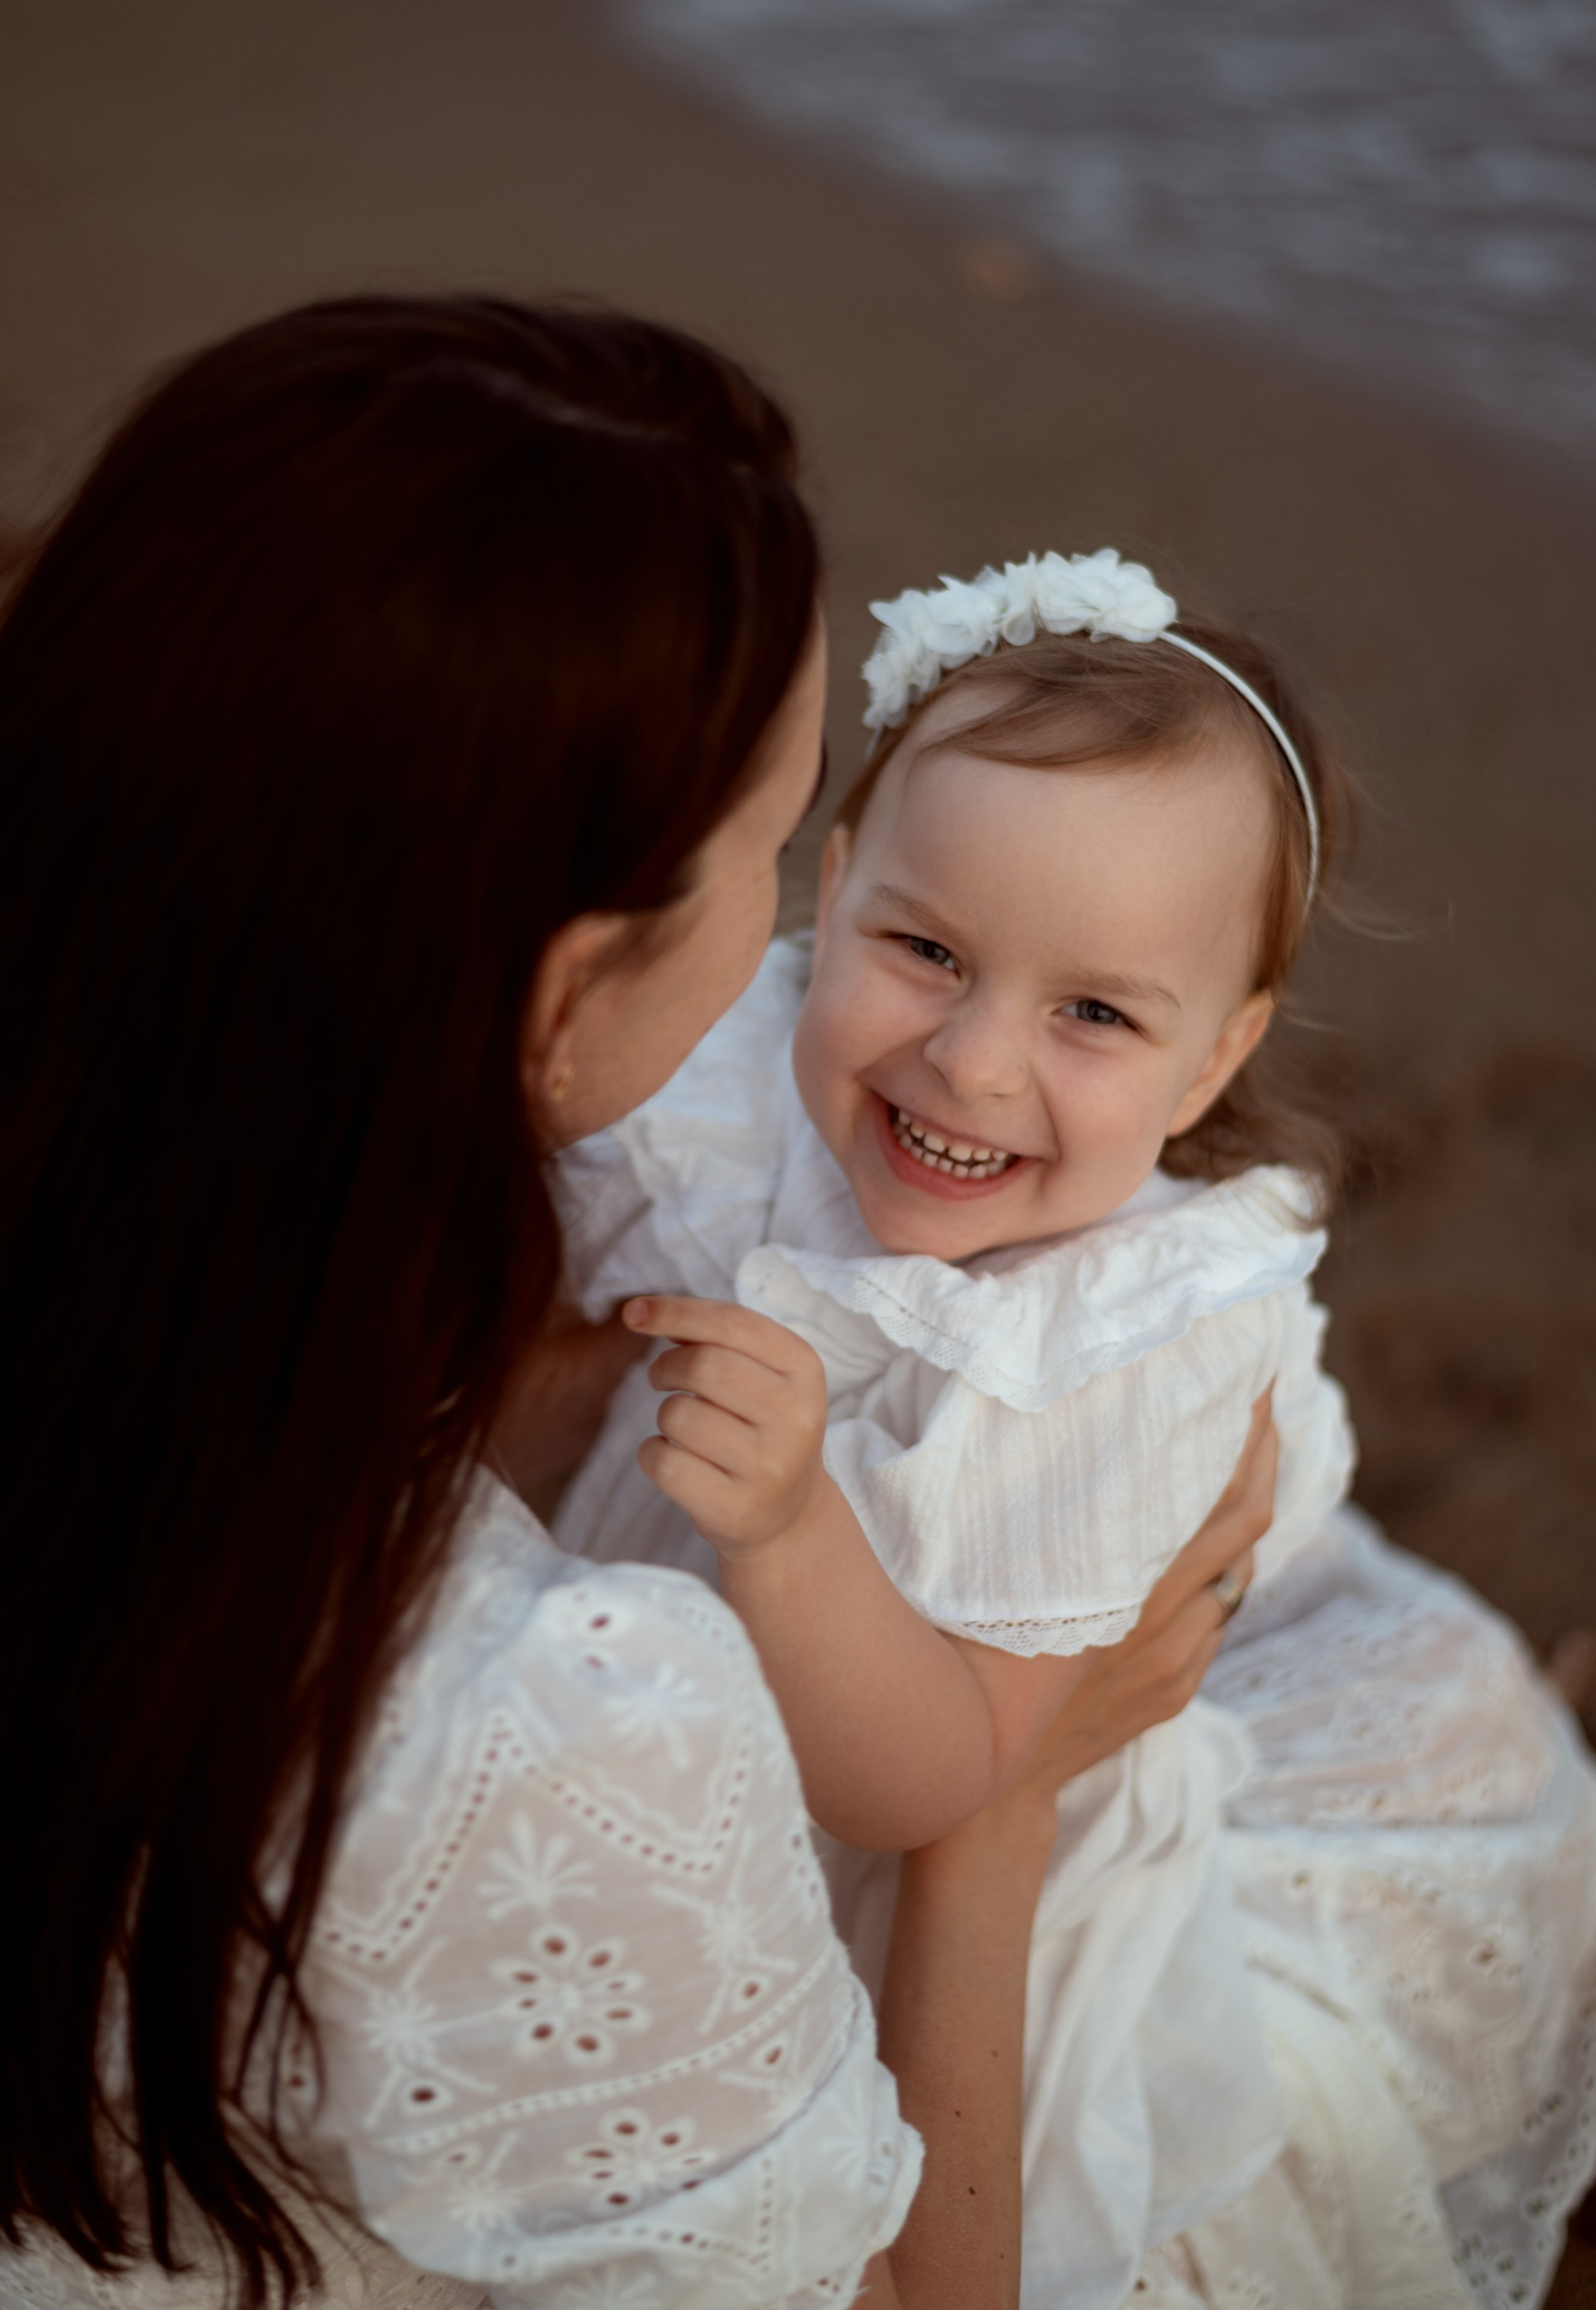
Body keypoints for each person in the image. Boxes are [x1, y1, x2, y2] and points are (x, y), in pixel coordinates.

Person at [0, 304, 1277, 2310]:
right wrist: (1006, 1811)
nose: (952, 1049)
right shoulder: (558, 1729)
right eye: (792, 868)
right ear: (564, 992)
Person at [550, 549, 1596, 2308]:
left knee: (1452, 1875)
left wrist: (789, 1531)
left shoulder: (1121, 1344)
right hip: (671, 1688)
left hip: (945, 1853)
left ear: (1214, 1063)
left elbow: (934, 1780)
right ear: (833, 889)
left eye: (1094, 1014)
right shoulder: (744, 1070)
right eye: (924, 947)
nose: (973, 1063)